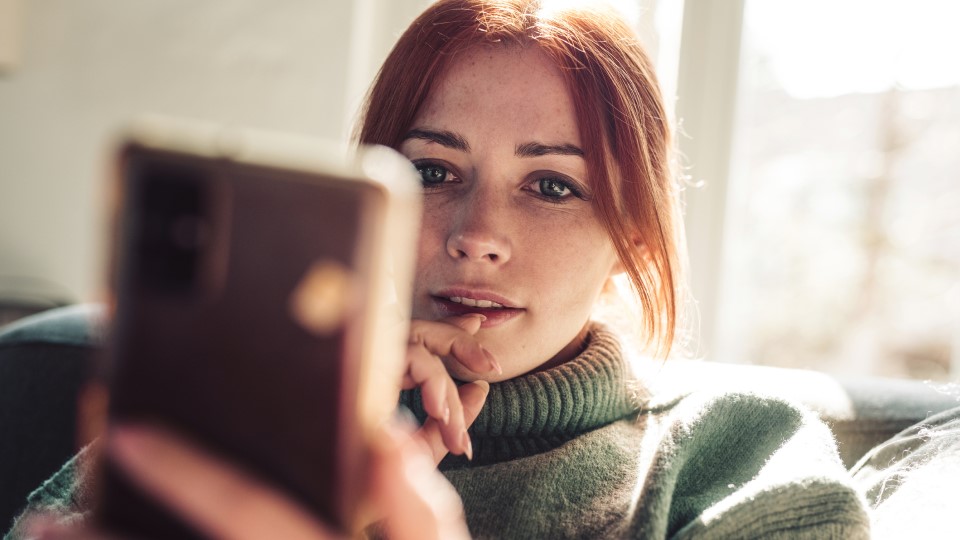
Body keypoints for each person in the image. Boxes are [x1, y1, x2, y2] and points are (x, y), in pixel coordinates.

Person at [7, 0, 873, 538]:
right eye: (431, 171)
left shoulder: (742, 453)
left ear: (635, 240)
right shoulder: (237, 409)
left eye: (551, 185)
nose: (477, 234)